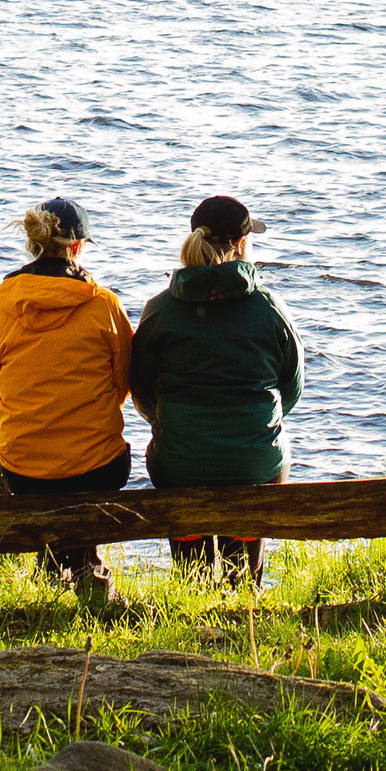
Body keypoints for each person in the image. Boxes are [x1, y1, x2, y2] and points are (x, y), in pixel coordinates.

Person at [0, 196, 137, 604]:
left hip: (23, 466)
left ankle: (55, 566)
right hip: (96, 465)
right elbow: (123, 383)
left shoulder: (1, 307)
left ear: (33, 244)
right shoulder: (103, 306)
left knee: (47, 480)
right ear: (78, 246)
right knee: (95, 467)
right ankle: (86, 570)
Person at [130, 193, 299, 583]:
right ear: (240, 245)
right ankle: (244, 585)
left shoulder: (160, 308)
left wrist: (169, 422)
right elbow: (291, 386)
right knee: (261, 465)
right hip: (255, 461)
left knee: (177, 466)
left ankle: (193, 579)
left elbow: (139, 388)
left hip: (180, 463)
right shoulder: (269, 307)